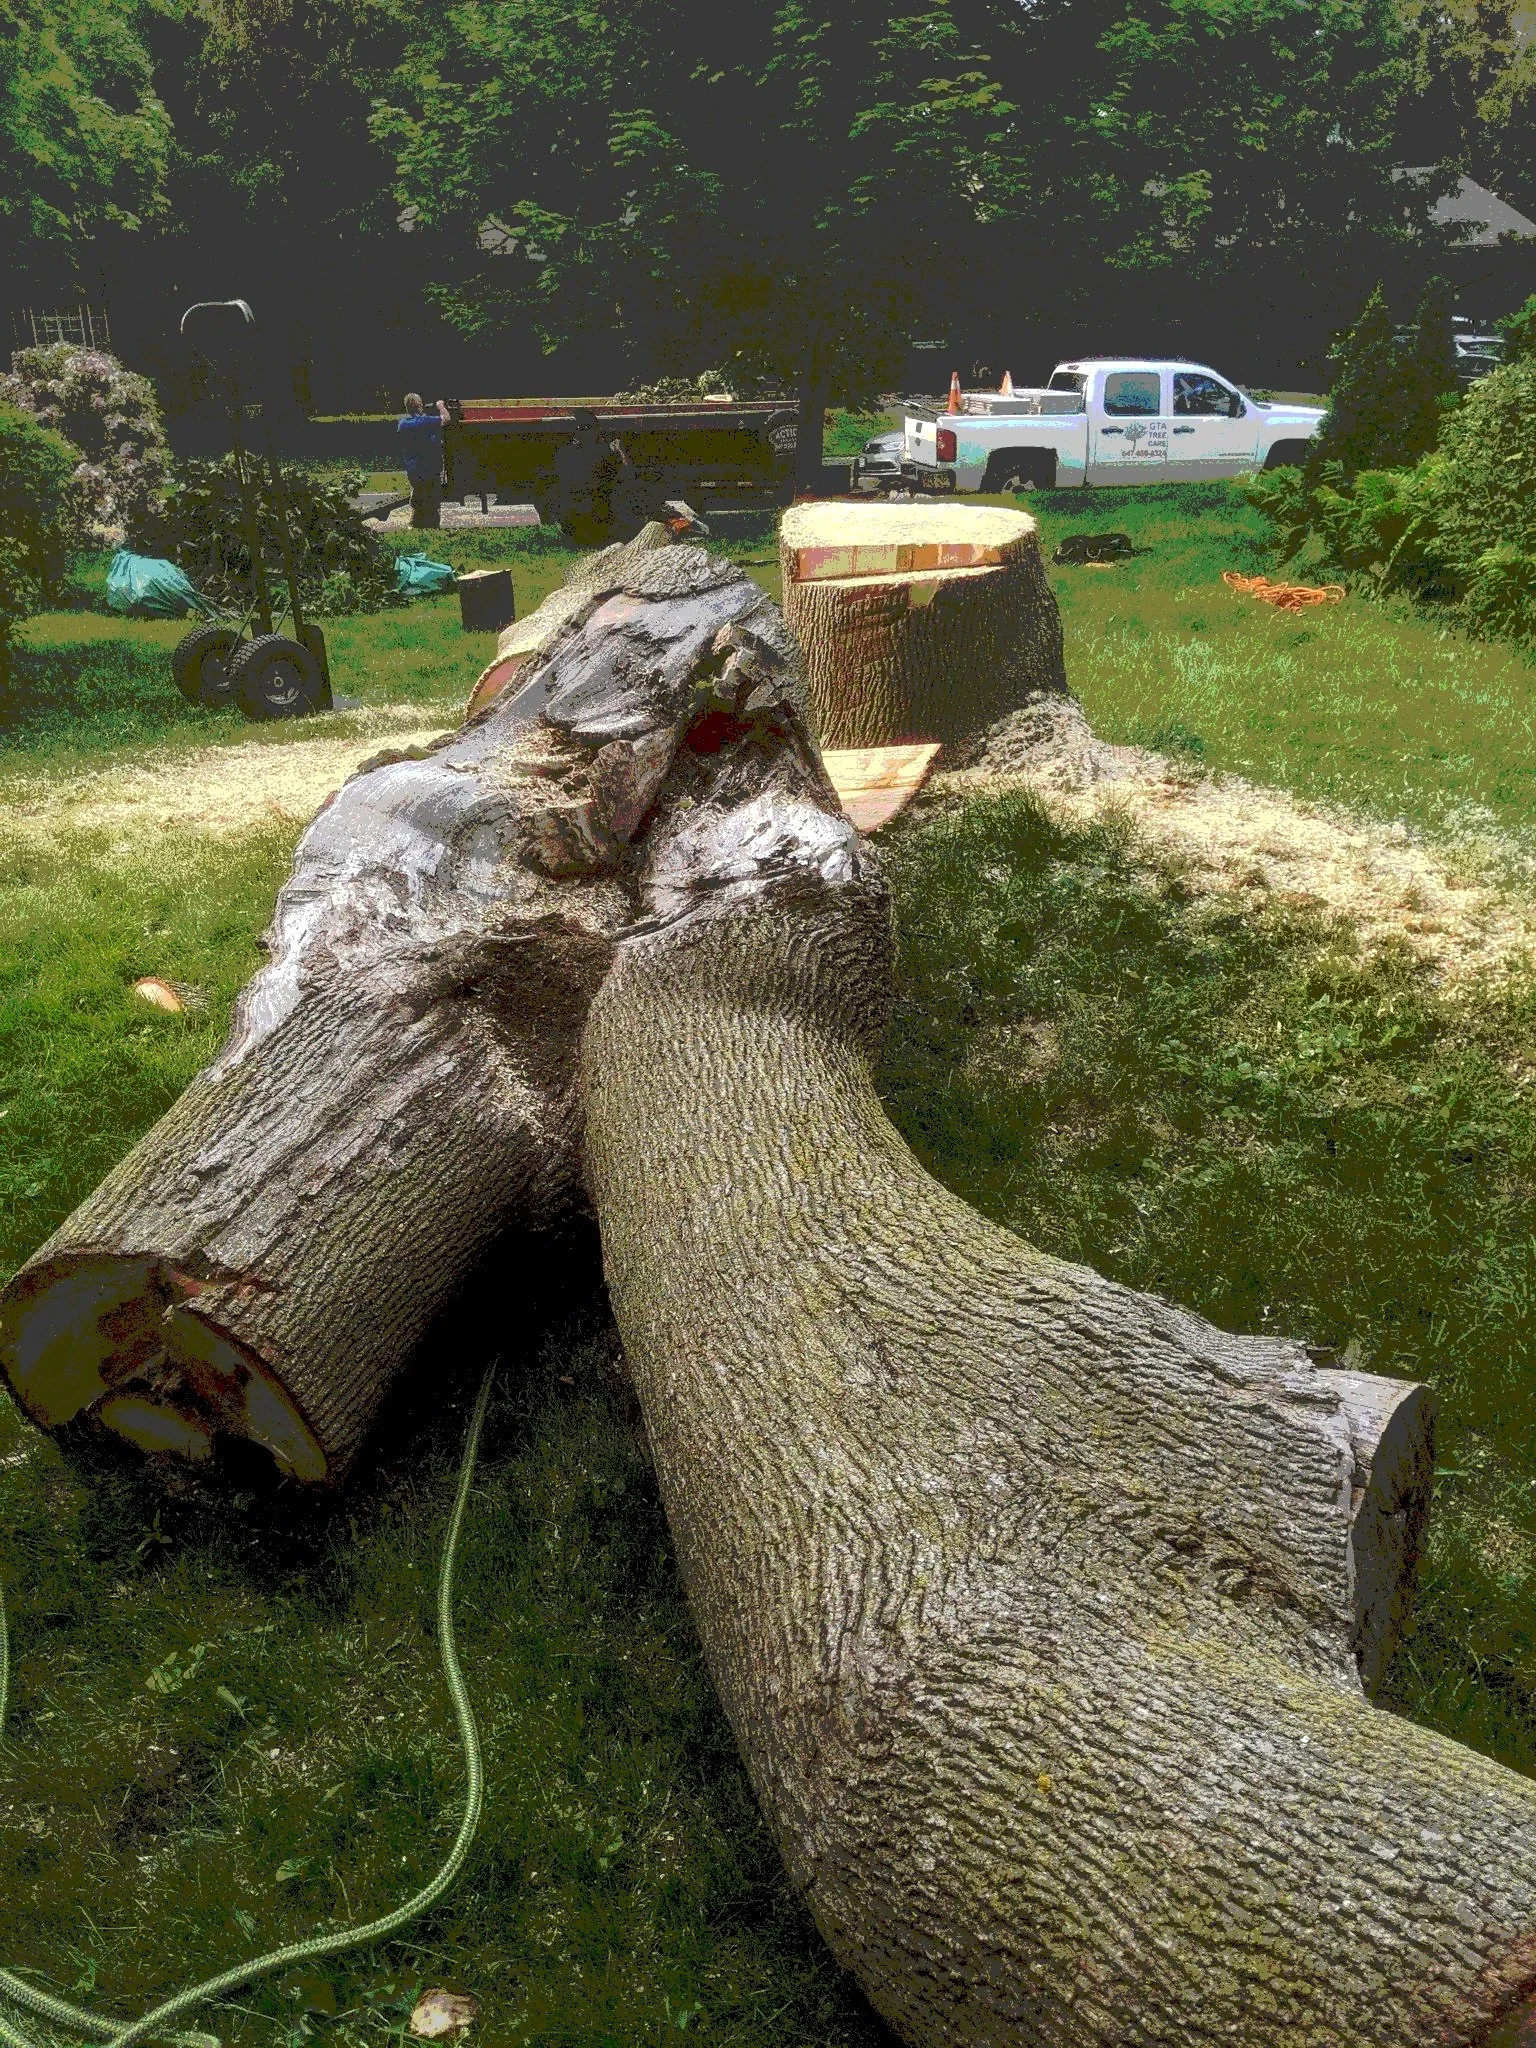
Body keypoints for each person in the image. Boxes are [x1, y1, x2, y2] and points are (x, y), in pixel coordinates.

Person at [397, 393, 450, 529]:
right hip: (429, 468)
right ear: (420, 405)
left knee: (418, 496)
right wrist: (440, 406)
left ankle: (415, 524)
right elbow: (446, 419)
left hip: (413, 469)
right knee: (432, 500)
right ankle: (432, 526)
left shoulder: (403, 424)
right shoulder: (425, 422)